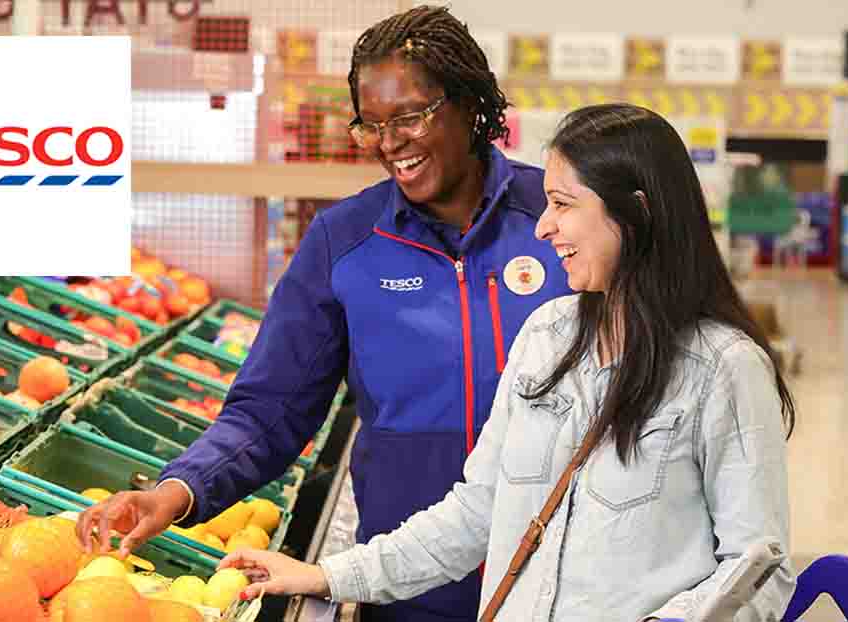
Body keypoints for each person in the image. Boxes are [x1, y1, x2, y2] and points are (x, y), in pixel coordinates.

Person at [76, 6, 572, 621]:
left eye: (410, 117)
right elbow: (271, 409)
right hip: (410, 594)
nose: (390, 143)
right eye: (372, 125)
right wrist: (176, 492)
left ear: (470, 104)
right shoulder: (346, 243)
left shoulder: (559, 217)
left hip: (568, 584)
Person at [216, 104, 798, 622]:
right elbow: (476, 512)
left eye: (563, 204)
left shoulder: (723, 369)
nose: (544, 227)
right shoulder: (547, 335)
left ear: (636, 212)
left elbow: (758, 572)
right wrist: (332, 575)